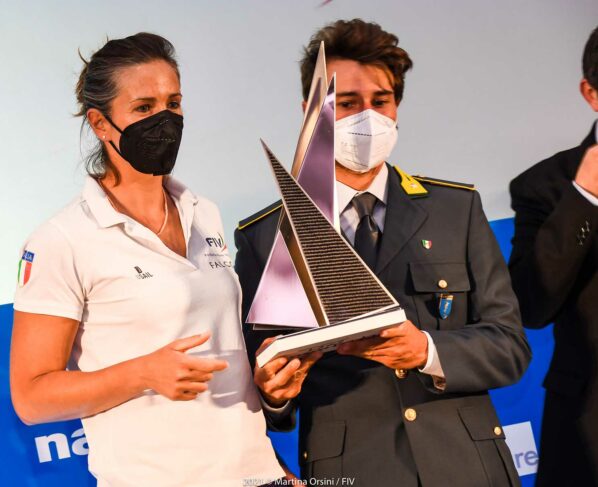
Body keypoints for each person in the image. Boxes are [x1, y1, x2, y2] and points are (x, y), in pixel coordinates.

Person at [235, 19, 531, 487]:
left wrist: (427, 350)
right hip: (351, 471)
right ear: (310, 112)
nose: (367, 117)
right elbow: (265, 391)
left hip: (468, 466)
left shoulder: (455, 208)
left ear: (397, 106)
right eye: (347, 103)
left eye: (381, 100)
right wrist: (275, 395)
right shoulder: (267, 235)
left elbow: (510, 347)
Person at [10, 33, 284, 487]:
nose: (165, 120)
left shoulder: (205, 212)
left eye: (173, 103)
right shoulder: (62, 239)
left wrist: (274, 463)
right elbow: (31, 397)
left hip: (257, 476)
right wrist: (143, 373)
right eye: (143, 107)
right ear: (100, 124)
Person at [508, 26, 598, 487]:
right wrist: (584, 198)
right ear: (591, 93)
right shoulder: (544, 186)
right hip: (590, 426)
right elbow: (531, 305)